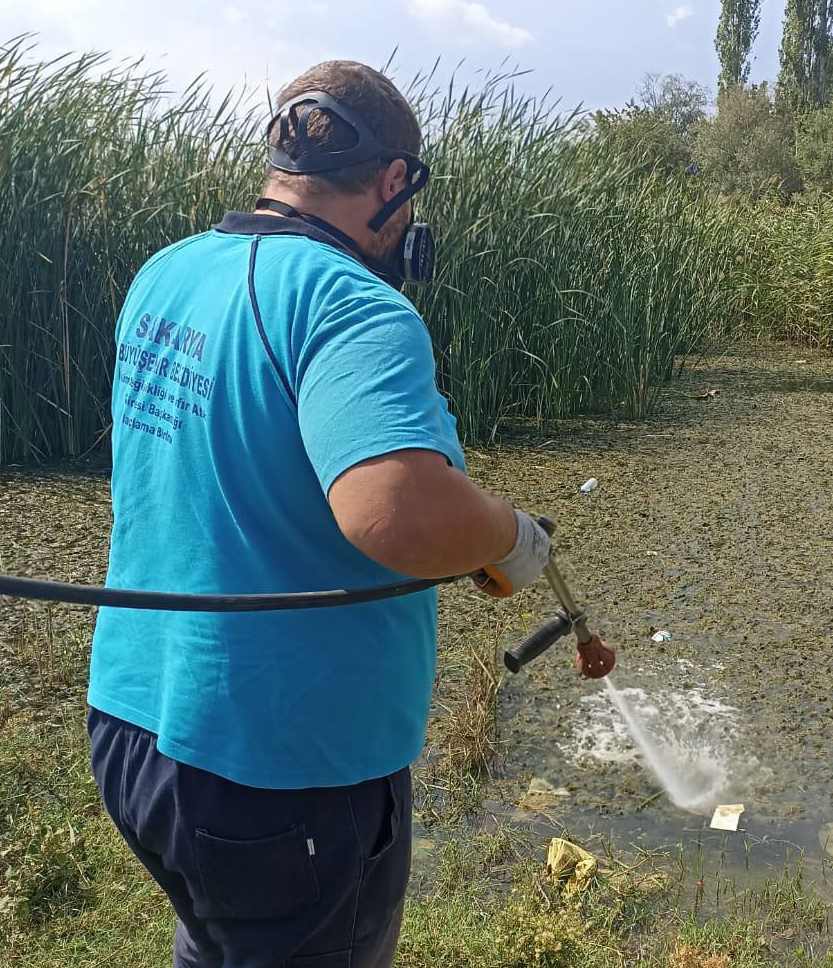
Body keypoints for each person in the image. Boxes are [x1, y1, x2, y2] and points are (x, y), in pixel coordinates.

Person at [87, 60, 614, 968]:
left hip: (135, 728)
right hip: (279, 765)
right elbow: (395, 515)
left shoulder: (169, 272)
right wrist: (507, 533)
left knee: (218, 942)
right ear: (393, 180)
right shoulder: (351, 305)